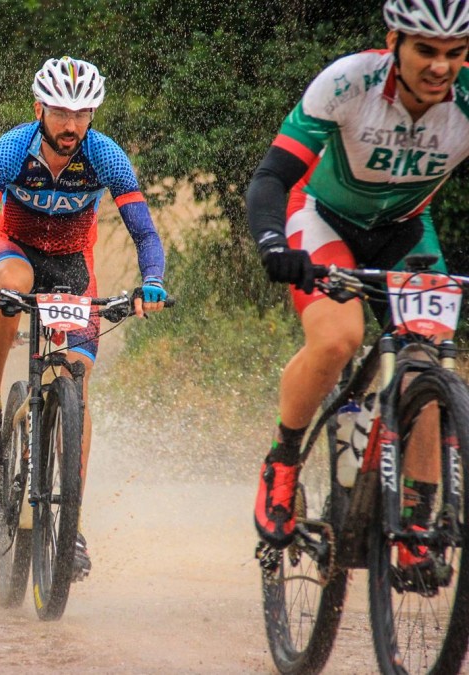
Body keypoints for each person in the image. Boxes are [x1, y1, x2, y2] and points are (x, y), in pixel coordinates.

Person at [249, 0, 469, 573]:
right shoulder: (351, 81)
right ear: (394, 40)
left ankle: (417, 521)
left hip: (403, 233)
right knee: (337, 338)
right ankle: (284, 461)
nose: (440, 67)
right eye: (426, 49)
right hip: (322, 218)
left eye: (455, 52)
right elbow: (273, 175)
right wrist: (275, 245)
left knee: (426, 359)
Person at [0, 56, 168, 579]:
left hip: (73, 263)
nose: (71, 125)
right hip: (15, 248)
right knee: (11, 287)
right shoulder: (10, 149)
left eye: (82, 113)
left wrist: (153, 281)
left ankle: (69, 523)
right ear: (39, 109)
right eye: (60, 112)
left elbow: (144, 231)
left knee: (77, 375)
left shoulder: (106, 155)